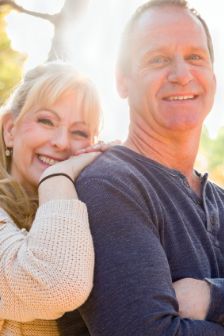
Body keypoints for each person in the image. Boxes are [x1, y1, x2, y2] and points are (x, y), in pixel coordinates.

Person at [58, 0, 224, 335]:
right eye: (157, 59)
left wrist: (212, 296)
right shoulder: (110, 186)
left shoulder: (219, 199)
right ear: (122, 81)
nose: (181, 75)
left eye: (195, 57)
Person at [0, 61, 104, 335]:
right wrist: (58, 176)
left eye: (80, 132)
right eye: (46, 121)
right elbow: (58, 285)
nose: (61, 142)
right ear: (10, 129)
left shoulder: (87, 215)